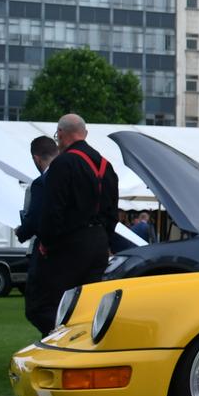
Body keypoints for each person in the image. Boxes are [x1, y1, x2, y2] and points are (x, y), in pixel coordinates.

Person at [37, 114, 120, 320]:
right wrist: (105, 238)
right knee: (89, 305)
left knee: (56, 305)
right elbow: (112, 211)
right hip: (98, 244)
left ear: (62, 134)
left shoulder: (62, 164)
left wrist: (47, 242)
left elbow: (53, 209)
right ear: (85, 134)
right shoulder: (105, 166)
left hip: (70, 244)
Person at [16, 135, 60, 336]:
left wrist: (22, 232)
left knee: (36, 307)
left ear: (36, 158)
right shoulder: (71, 177)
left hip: (45, 249)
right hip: (72, 249)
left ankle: (55, 336)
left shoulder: (41, 183)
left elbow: (34, 218)